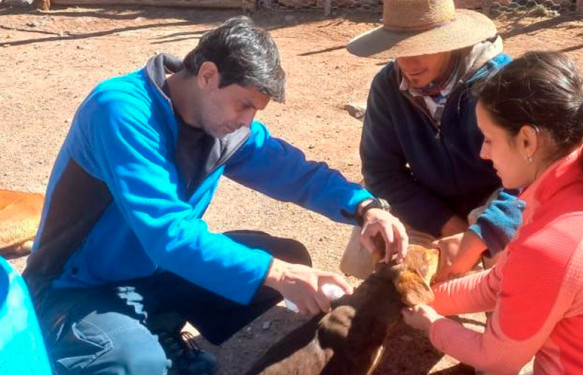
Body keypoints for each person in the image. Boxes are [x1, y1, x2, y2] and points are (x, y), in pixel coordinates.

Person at [22, 16, 407, 375]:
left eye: (254, 111)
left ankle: (158, 325)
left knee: (288, 256)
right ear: (208, 75)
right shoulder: (121, 110)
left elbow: (295, 173)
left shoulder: (223, 128)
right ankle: (94, 345)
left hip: (153, 273)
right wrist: (281, 275)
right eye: (244, 105)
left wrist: (365, 207)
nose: (247, 121)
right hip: (76, 285)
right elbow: (169, 236)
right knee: (134, 362)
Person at [402, 51, 583, 374]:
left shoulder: (553, 245)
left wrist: (432, 325)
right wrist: (424, 297)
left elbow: (497, 359)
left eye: (489, 139)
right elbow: (497, 284)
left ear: (528, 141)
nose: (483, 153)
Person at [340, 0, 523, 279]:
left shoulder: (502, 82)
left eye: (421, 48)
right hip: (429, 200)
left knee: (510, 275)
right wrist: (448, 225)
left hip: (498, 199)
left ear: (450, 41)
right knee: (380, 236)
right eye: (399, 49)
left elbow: (534, 173)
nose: (408, 64)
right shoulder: (387, 86)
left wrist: (481, 233)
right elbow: (380, 171)